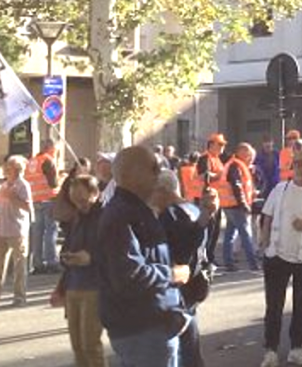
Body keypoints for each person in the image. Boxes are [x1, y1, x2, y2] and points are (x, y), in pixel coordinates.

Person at [98, 146, 190, 367]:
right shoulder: (120, 215)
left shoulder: (139, 210)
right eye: (153, 167)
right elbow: (130, 274)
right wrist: (172, 274)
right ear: (131, 173)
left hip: (155, 325)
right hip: (142, 331)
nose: (160, 172)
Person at [258, 150, 302, 367]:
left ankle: (296, 348)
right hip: (277, 255)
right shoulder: (280, 189)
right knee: (274, 306)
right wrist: (264, 239)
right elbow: (267, 216)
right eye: (298, 164)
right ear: (293, 166)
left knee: (301, 305)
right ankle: (270, 351)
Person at [152, 169, 217, 367]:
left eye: (154, 190)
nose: (151, 196)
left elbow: (179, 253)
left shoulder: (169, 215)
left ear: (163, 190)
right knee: (190, 340)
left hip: (178, 284)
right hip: (197, 281)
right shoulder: (193, 209)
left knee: (181, 346)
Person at [56, 175, 106, 367]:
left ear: (95, 194)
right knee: (77, 345)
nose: (79, 204)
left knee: (90, 345)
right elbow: (68, 244)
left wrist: (91, 257)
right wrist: (66, 258)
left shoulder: (104, 217)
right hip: (74, 285)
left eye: (83, 200)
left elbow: (115, 251)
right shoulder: (76, 218)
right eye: (75, 200)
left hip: (94, 286)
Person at [0, 155, 33, 310]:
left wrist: (14, 198)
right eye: (5, 167)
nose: (4, 169)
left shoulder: (23, 185)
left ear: (16, 169)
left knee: (19, 265)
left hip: (17, 231)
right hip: (1, 230)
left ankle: (19, 297)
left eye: (8, 167)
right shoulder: (5, 185)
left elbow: (28, 208)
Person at [217, 142, 259, 272]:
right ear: (242, 153)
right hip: (236, 206)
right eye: (249, 156)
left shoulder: (234, 164)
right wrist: (244, 204)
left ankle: (229, 263)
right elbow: (237, 186)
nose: (251, 159)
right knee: (246, 234)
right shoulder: (236, 166)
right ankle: (253, 264)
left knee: (230, 234)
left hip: (229, 205)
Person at [27, 144, 62, 275]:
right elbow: (53, 183)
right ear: (51, 149)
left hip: (35, 200)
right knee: (50, 231)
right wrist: (60, 179)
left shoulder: (32, 161)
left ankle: (37, 263)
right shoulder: (48, 160)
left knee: (37, 233)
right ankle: (51, 262)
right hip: (48, 199)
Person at [199, 134, 228, 266]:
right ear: (211, 145)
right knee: (208, 230)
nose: (223, 147)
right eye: (220, 144)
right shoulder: (205, 158)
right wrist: (219, 175)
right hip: (207, 200)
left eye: (223, 145)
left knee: (215, 231)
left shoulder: (217, 159)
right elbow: (204, 176)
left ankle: (210, 256)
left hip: (217, 199)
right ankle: (204, 257)